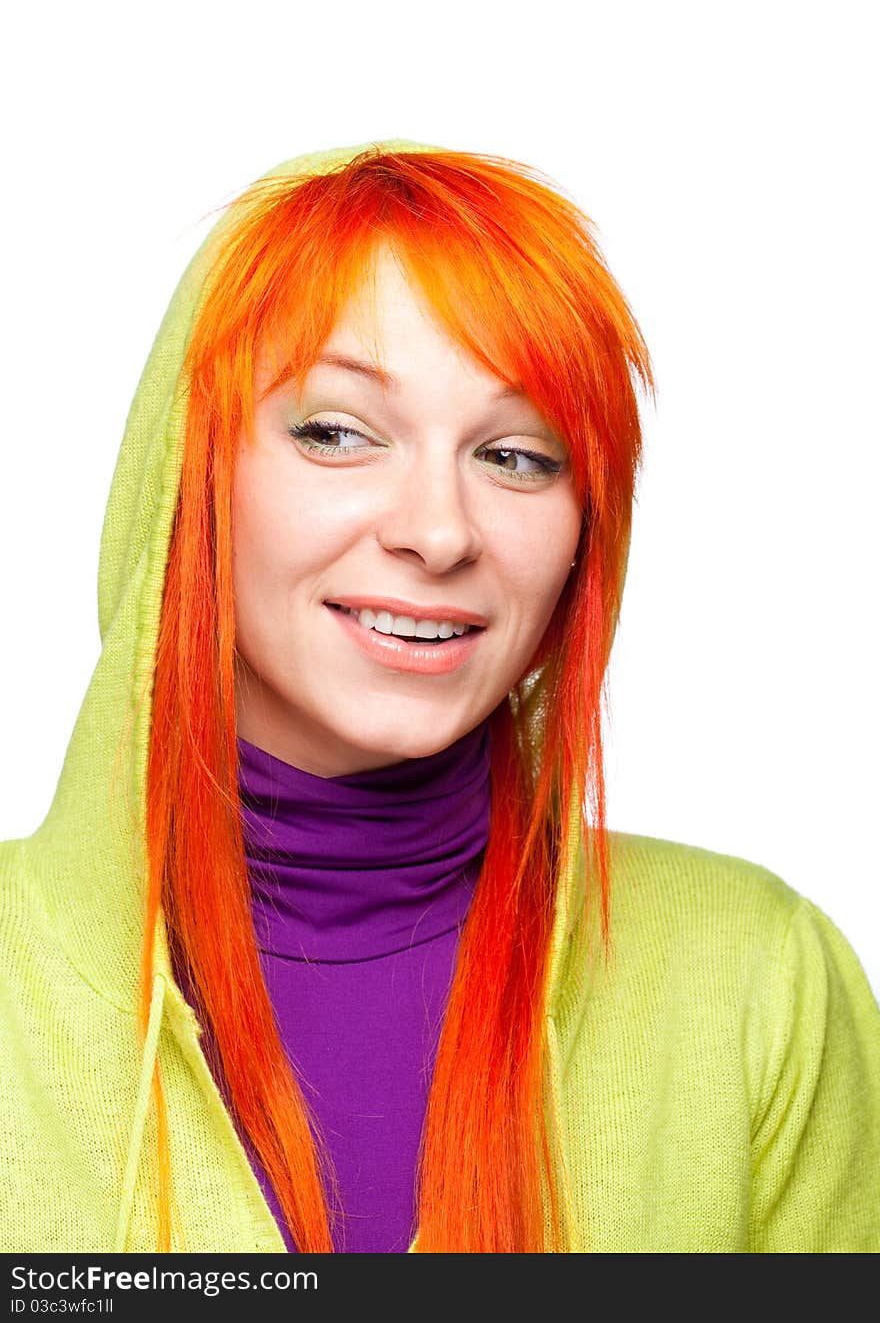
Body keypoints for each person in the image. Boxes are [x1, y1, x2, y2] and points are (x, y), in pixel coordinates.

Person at [1, 138, 878, 1255]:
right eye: (335, 432)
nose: (439, 531)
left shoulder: (760, 977)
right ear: (188, 468)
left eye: (516, 456)